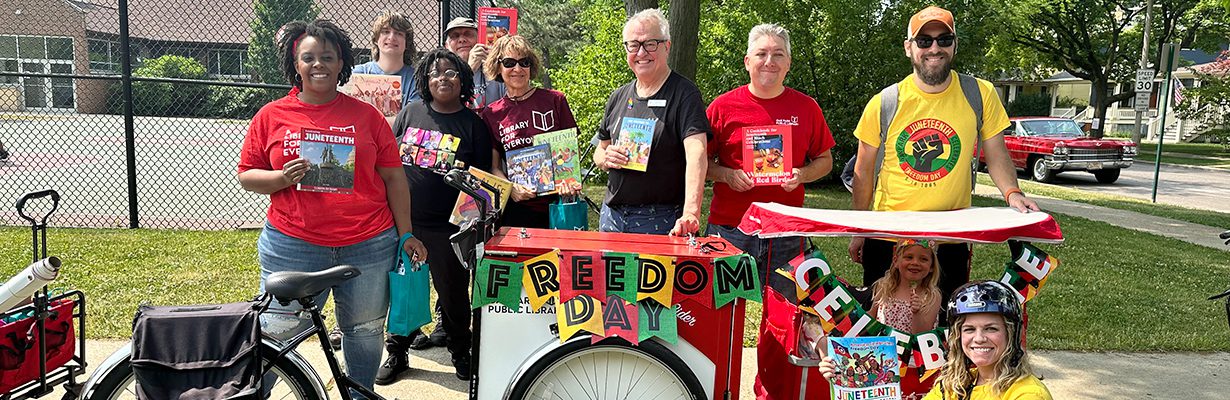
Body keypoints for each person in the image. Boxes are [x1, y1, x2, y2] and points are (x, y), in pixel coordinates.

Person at [236, 19, 427, 397]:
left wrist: (405, 233)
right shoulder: (271, 115)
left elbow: (394, 180)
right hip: (293, 243)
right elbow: (246, 175)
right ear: (296, 63)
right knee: (275, 331)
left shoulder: (367, 117)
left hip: (369, 243)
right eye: (308, 57)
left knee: (364, 330)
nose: (318, 64)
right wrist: (280, 179)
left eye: (327, 56)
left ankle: (359, 394)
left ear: (342, 64)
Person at [848, 6, 1040, 307]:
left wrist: (1013, 193)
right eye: (924, 41)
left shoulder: (980, 93)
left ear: (954, 45)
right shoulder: (885, 101)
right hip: (888, 238)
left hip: (950, 238)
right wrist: (859, 230)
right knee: (880, 331)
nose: (934, 48)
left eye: (943, 39)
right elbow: (863, 170)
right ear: (908, 47)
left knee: (945, 331)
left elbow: (996, 152)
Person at [377, 48, 494, 385]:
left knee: (454, 295)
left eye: (451, 72)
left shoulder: (473, 125)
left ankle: (461, 351)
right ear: (425, 80)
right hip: (406, 222)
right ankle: (397, 351)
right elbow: (391, 162)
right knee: (403, 289)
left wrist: (467, 200)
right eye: (435, 73)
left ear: (464, 80)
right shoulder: (411, 112)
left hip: (450, 228)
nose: (443, 78)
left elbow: (482, 181)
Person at [705, 23, 835, 287]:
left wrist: (802, 174)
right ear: (747, 61)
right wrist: (726, 174)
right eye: (761, 53)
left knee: (784, 310)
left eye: (778, 54)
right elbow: (698, 165)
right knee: (724, 313)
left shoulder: (807, 108)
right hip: (731, 227)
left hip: (786, 228)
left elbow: (825, 161)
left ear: (788, 63)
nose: (769, 61)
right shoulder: (722, 107)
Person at [820, 280, 1053, 400]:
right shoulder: (957, 384)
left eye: (991, 329)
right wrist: (848, 379)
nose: (979, 338)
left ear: (1010, 334)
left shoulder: (1027, 393)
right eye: (969, 329)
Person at [593, 8, 709, 236]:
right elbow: (600, 150)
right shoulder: (618, 96)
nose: (641, 52)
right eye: (633, 45)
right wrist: (605, 158)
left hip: (661, 219)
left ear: (667, 46)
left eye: (650, 44)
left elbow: (697, 152)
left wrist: (691, 213)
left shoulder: (684, 93)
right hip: (612, 218)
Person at [479, 35, 580, 228]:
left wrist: (569, 181)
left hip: (559, 205)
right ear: (498, 67)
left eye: (523, 62)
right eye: (509, 63)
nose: (517, 69)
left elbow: (571, 154)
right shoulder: (491, 113)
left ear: (531, 66)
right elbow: (494, 167)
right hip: (519, 208)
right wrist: (510, 188)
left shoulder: (555, 100)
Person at [405, 17, 506, 111]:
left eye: (468, 34)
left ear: (479, 39)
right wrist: (469, 69)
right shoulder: (438, 74)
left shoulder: (495, 69)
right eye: (455, 36)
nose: (462, 39)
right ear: (446, 46)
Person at [868, 239, 942, 334]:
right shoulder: (884, 287)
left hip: (912, 348)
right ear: (896, 261)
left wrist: (917, 313)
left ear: (931, 266)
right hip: (883, 346)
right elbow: (872, 315)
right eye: (909, 257)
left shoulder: (931, 296)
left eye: (923, 259)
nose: (915, 262)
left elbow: (922, 335)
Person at [352, 11, 417, 107]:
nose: (392, 37)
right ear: (376, 39)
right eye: (386, 32)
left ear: (407, 43)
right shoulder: (358, 73)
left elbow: (411, 118)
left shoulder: (416, 79)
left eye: (398, 33)